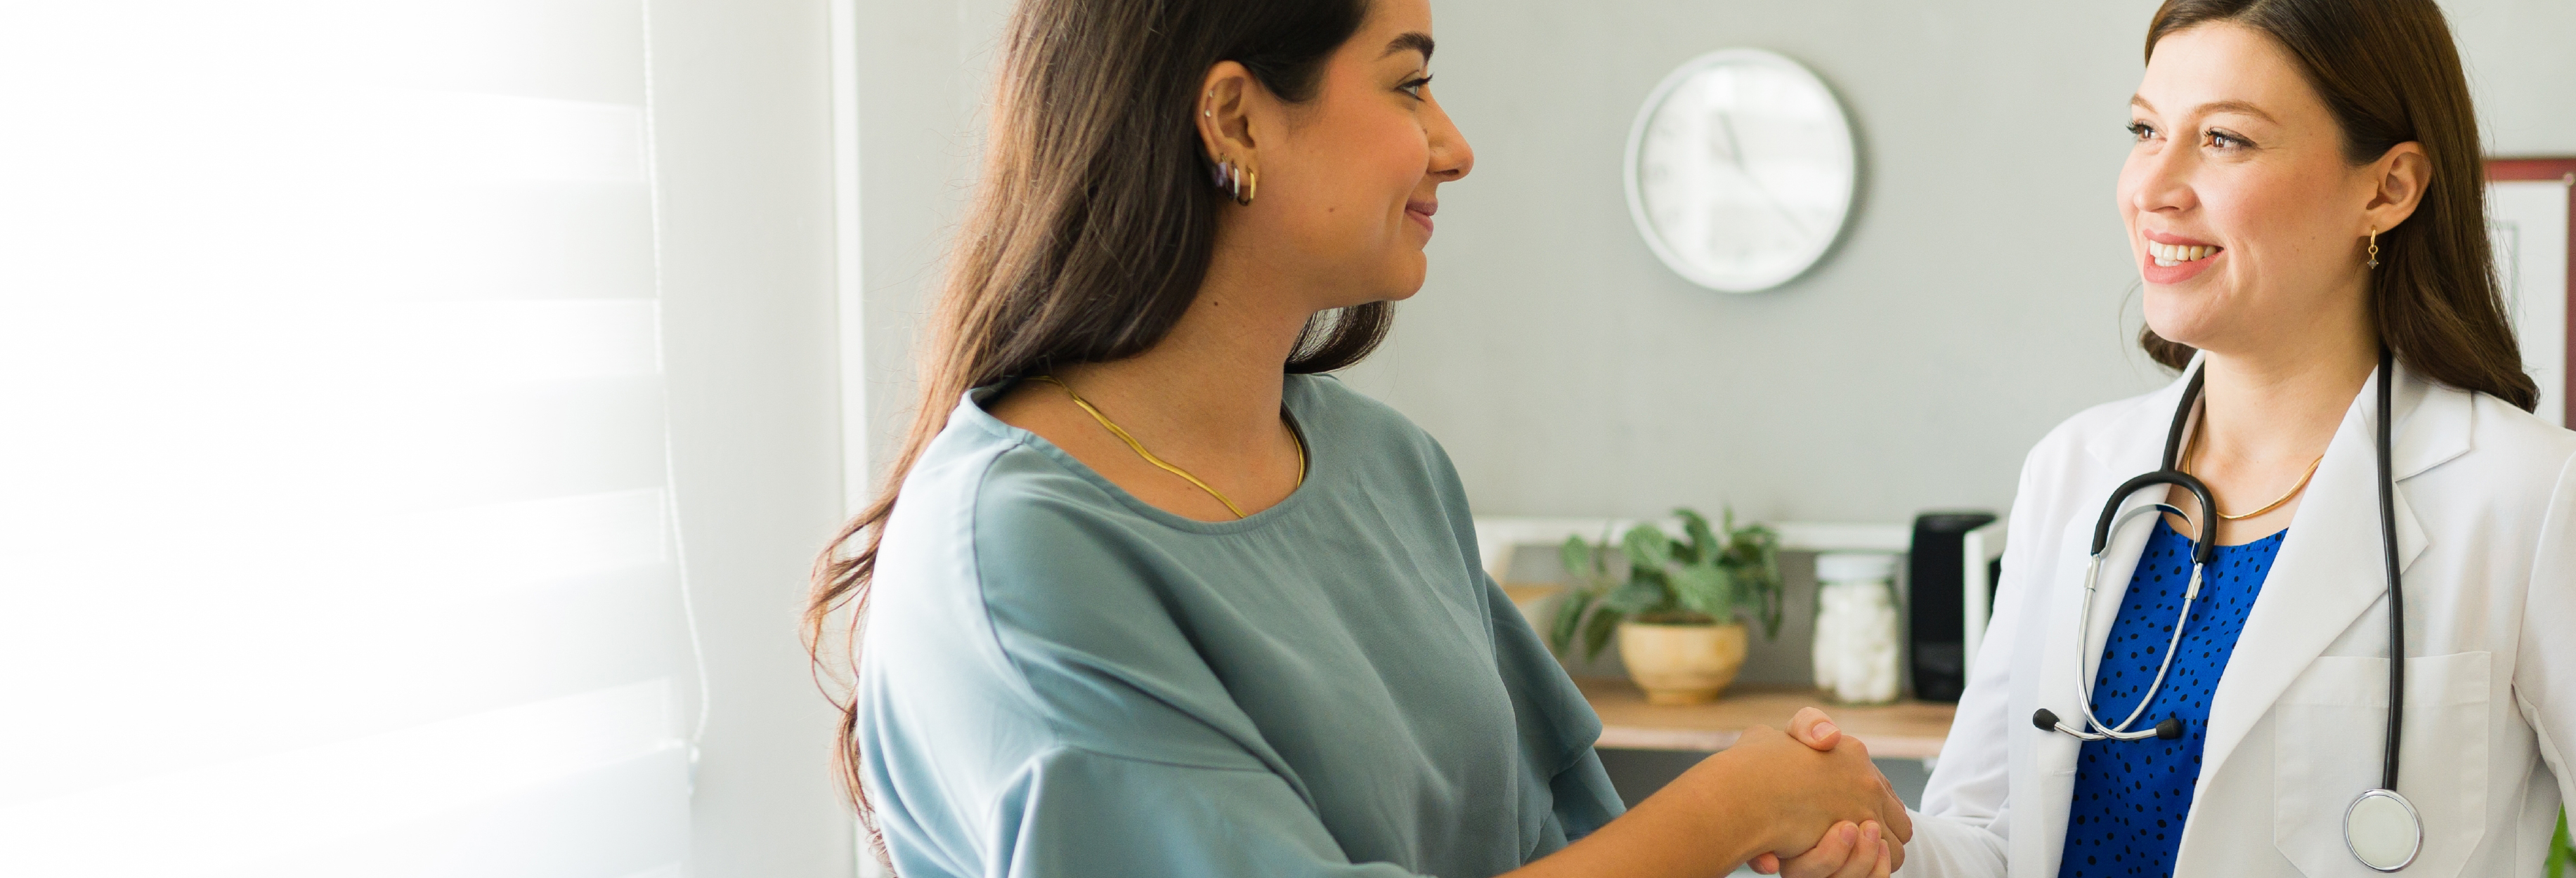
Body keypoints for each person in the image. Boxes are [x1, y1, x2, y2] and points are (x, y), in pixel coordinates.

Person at [802, 1, 1911, 876]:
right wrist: (1733, 803)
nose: (1455, 145)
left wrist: (1780, 826)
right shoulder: (1014, 551)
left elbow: (1564, 846)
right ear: (1234, 117)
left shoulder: (1392, 469)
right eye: (1410, 83)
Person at [1764, 1, 2576, 877]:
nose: (2155, 186)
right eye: (2145, 129)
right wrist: (1868, 848)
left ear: (2388, 188)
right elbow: (1985, 835)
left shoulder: (2538, 505)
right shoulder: (2074, 472)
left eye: (2226, 141)